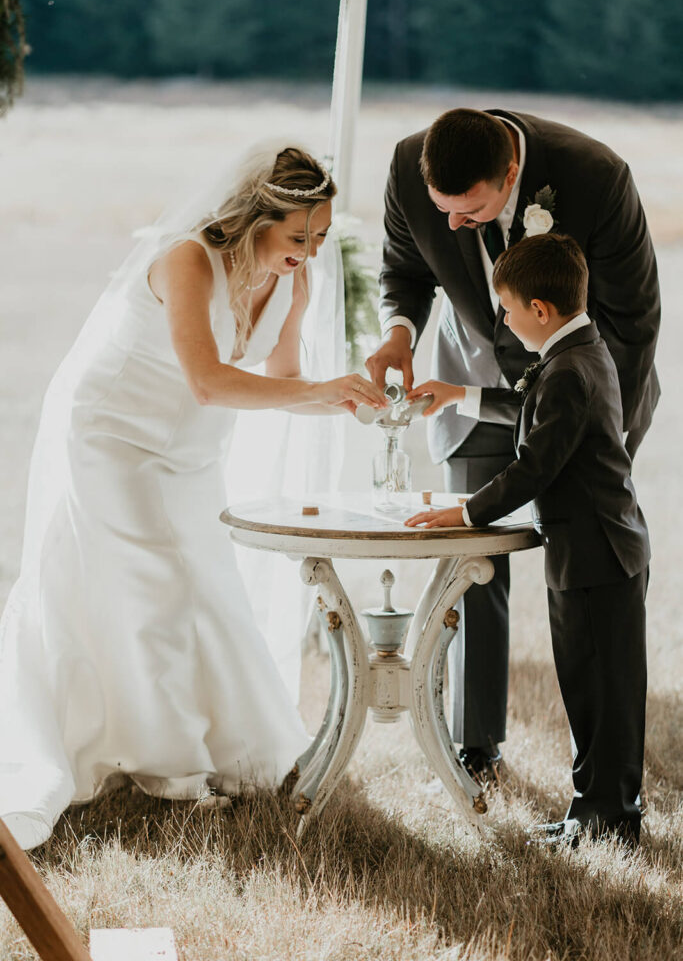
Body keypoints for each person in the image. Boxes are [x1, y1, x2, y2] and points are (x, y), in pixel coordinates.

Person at [0, 141, 387, 851]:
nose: (310, 249)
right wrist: (318, 391)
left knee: (206, 583)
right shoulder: (185, 259)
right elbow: (208, 381)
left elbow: (285, 381)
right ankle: (172, 769)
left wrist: (347, 400)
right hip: (113, 434)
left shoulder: (293, 282)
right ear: (253, 218)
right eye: (296, 235)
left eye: (322, 235)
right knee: (153, 586)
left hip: (190, 449)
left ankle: (218, 748)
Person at [366, 107, 660, 783]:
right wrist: (397, 333)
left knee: (581, 567)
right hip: (466, 381)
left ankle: (605, 777)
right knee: (474, 563)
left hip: (582, 385)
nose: (453, 225)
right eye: (443, 210)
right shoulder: (410, 170)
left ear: (510, 176)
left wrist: (600, 431)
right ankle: (476, 743)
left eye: (469, 212)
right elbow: (403, 269)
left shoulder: (593, 175)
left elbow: (633, 318)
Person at [405, 233, 649, 848]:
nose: (505, 324)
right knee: (589, 687)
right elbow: (526, 409)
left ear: (540, 310)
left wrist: (467, 513)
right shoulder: (579, 351)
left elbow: (534, 467)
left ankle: (608, 819)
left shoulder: (570, 370)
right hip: (595, 550)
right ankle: (592, 811)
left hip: (597, 555)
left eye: (509, 311)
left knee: (603, 694)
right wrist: (460, 394)